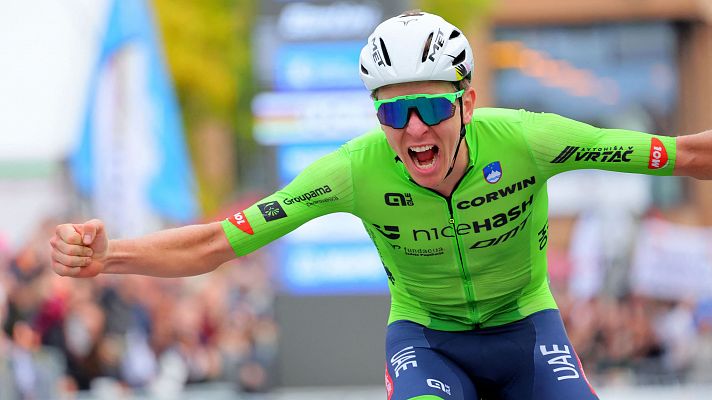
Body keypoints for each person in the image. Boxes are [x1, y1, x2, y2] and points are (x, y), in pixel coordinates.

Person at [50, 10, 712, 400]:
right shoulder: (353, 170)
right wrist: (111, 258)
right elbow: (219, 242)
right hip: (429, 340)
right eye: (395, 112)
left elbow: (684, 154)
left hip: (526, 327)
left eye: (430, 107)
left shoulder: (529, 140)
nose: (415, 129)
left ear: (468, 104)